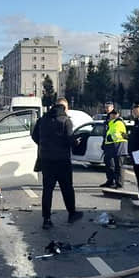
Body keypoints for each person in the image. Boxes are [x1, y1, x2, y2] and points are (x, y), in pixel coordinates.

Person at [31, 98, 82, 229]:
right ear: (64, 108)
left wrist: (44, 145)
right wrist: (76, 142)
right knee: (67, 188)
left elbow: (34, 136)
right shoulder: (66, 121)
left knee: (47, 190)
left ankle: (46, 219)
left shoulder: (43, 120)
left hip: (46, 160)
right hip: (62, 160)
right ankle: (72, 213)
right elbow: (70, 139)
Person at [101, 108, 128, 188]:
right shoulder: (111, 123)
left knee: (118, 166)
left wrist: (111, 137)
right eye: (112, 114)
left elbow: (119, 134)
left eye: (115, 114)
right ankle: (110, 181)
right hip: (111, 146)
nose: (113, 115)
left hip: (119, 146)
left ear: (118, 115)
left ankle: (119, 183)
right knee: (109, 164)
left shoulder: (119, 122)